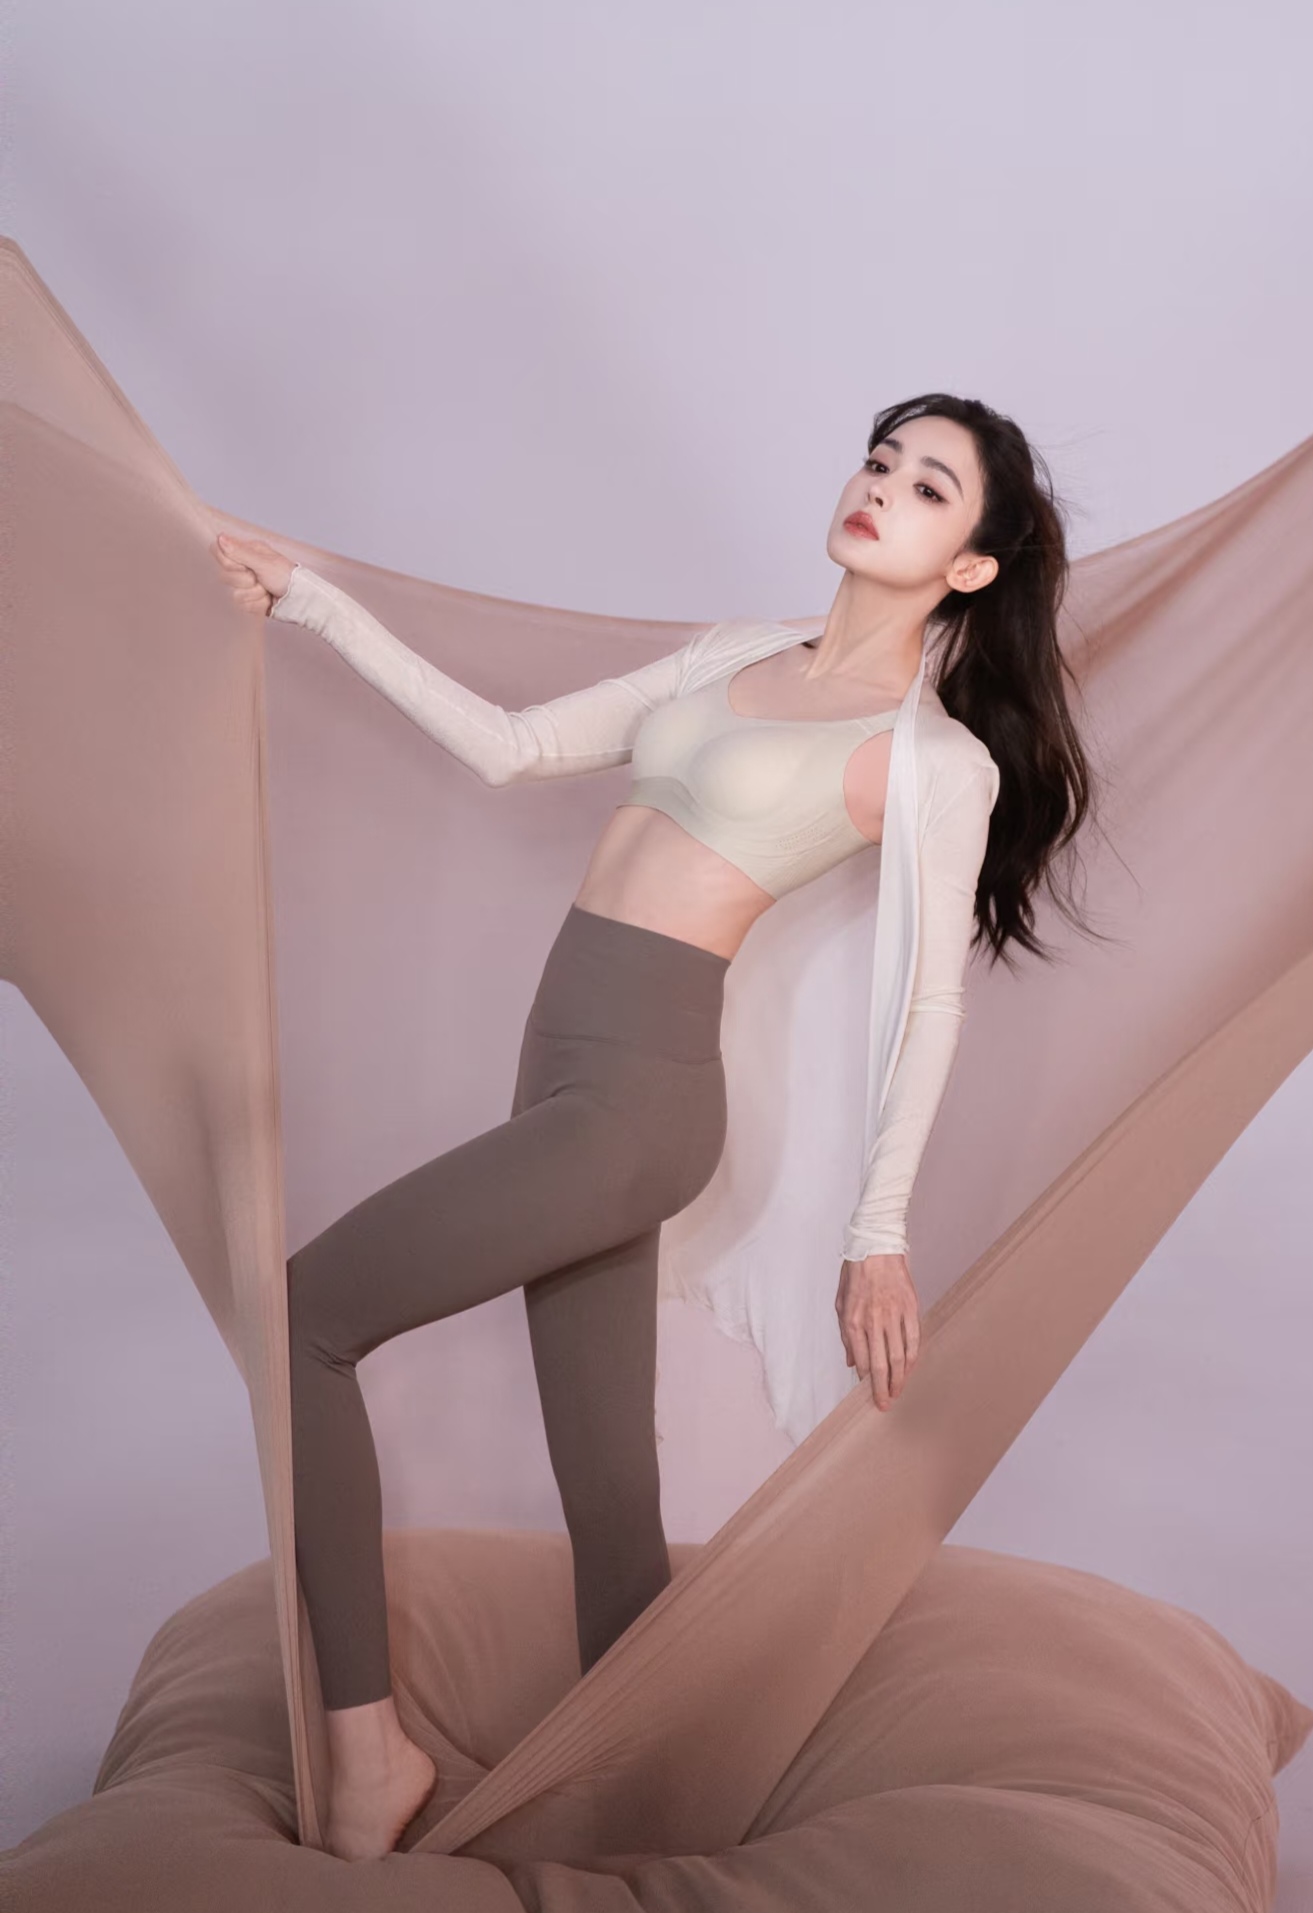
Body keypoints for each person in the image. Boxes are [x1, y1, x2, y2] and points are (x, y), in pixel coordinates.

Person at [212, 393, 1093, 1860]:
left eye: (929, 486)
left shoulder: (932, 761)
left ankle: (368, 1755)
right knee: (612, 1493)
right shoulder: (734, 654)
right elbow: (510, 746)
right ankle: (658, 1819)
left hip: (640, 1102)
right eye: (881, 457)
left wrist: (877, 1233)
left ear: (970, 566)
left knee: (307, 1318)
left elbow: (927, 1006)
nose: (881, 485)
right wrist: (316, 602)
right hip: (557, 1060)